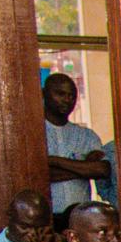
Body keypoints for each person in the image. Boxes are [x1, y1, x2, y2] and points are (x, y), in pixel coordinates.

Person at [41, 73, 112, 215]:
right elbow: (39, 174)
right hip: (46, 218)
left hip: (80, 217)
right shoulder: (34, 134)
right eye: (60, 94)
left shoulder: (86, 136)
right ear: (43, 94)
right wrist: (83, 167)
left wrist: (53, 160)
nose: (67, 100)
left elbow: (102, 170)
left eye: (72, 96)